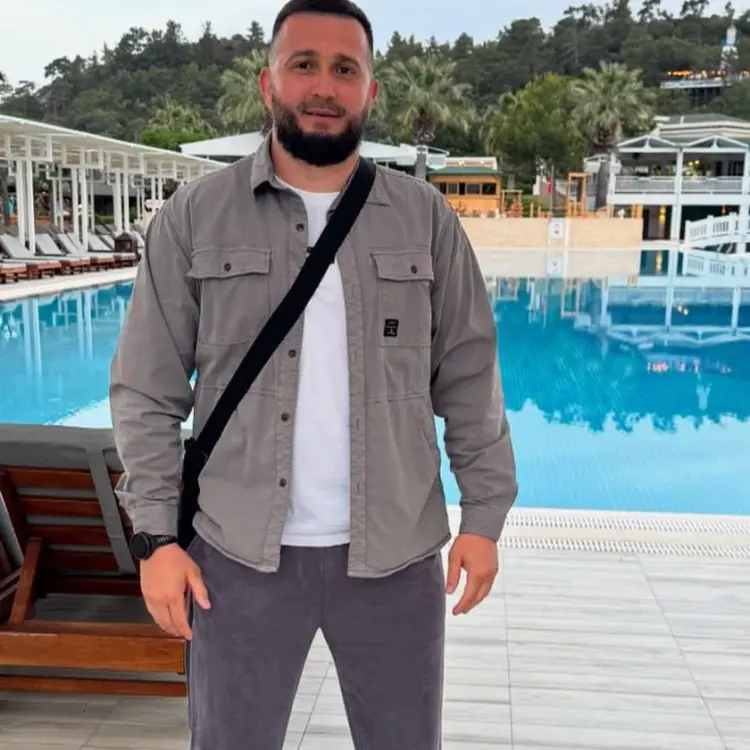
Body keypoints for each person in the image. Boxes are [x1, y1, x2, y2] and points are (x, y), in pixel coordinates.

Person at [109, 0, 518, 747]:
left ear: (370, 91)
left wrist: (484, 517)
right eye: (304, 65)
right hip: (236, 560)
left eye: (344, 69)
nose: (323, 86)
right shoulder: (196, 216)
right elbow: (145, 390)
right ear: (268, 83)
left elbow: (470, 377)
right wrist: (156, 540)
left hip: (394, 559)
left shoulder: (425, 219)